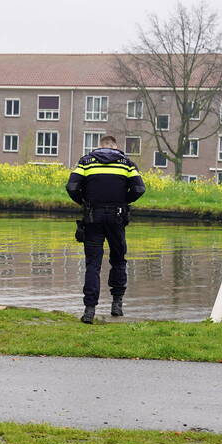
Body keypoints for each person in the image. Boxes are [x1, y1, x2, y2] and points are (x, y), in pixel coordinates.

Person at [65, 135, 146, 324]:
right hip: (117, 218)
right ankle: (117, 305)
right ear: (115, 146)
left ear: (99, 146)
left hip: (93, 217)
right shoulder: (127, 164)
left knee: (93, 264)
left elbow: (72, 186)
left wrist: (83, 201)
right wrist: (125, 201)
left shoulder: (86, 162)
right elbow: (139, 188)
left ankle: (89, 310)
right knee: (118, 260)